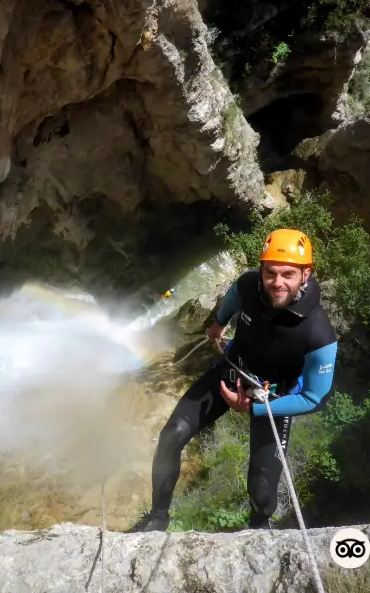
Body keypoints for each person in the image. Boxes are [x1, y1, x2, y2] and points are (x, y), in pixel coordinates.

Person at [129, 228, 339, 532]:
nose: (276, 283)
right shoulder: (248, 286)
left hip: (272, 397)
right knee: (171, 436)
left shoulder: (318, 335)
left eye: (288, 274)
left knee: (262, 488)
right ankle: (158, 519)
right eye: (270, 273)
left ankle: (258, 531)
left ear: (306, 274)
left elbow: (315, 398)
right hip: (233, 370)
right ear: (262, 270)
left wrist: (250, 408)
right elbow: (232, 299)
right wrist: (218, 325)